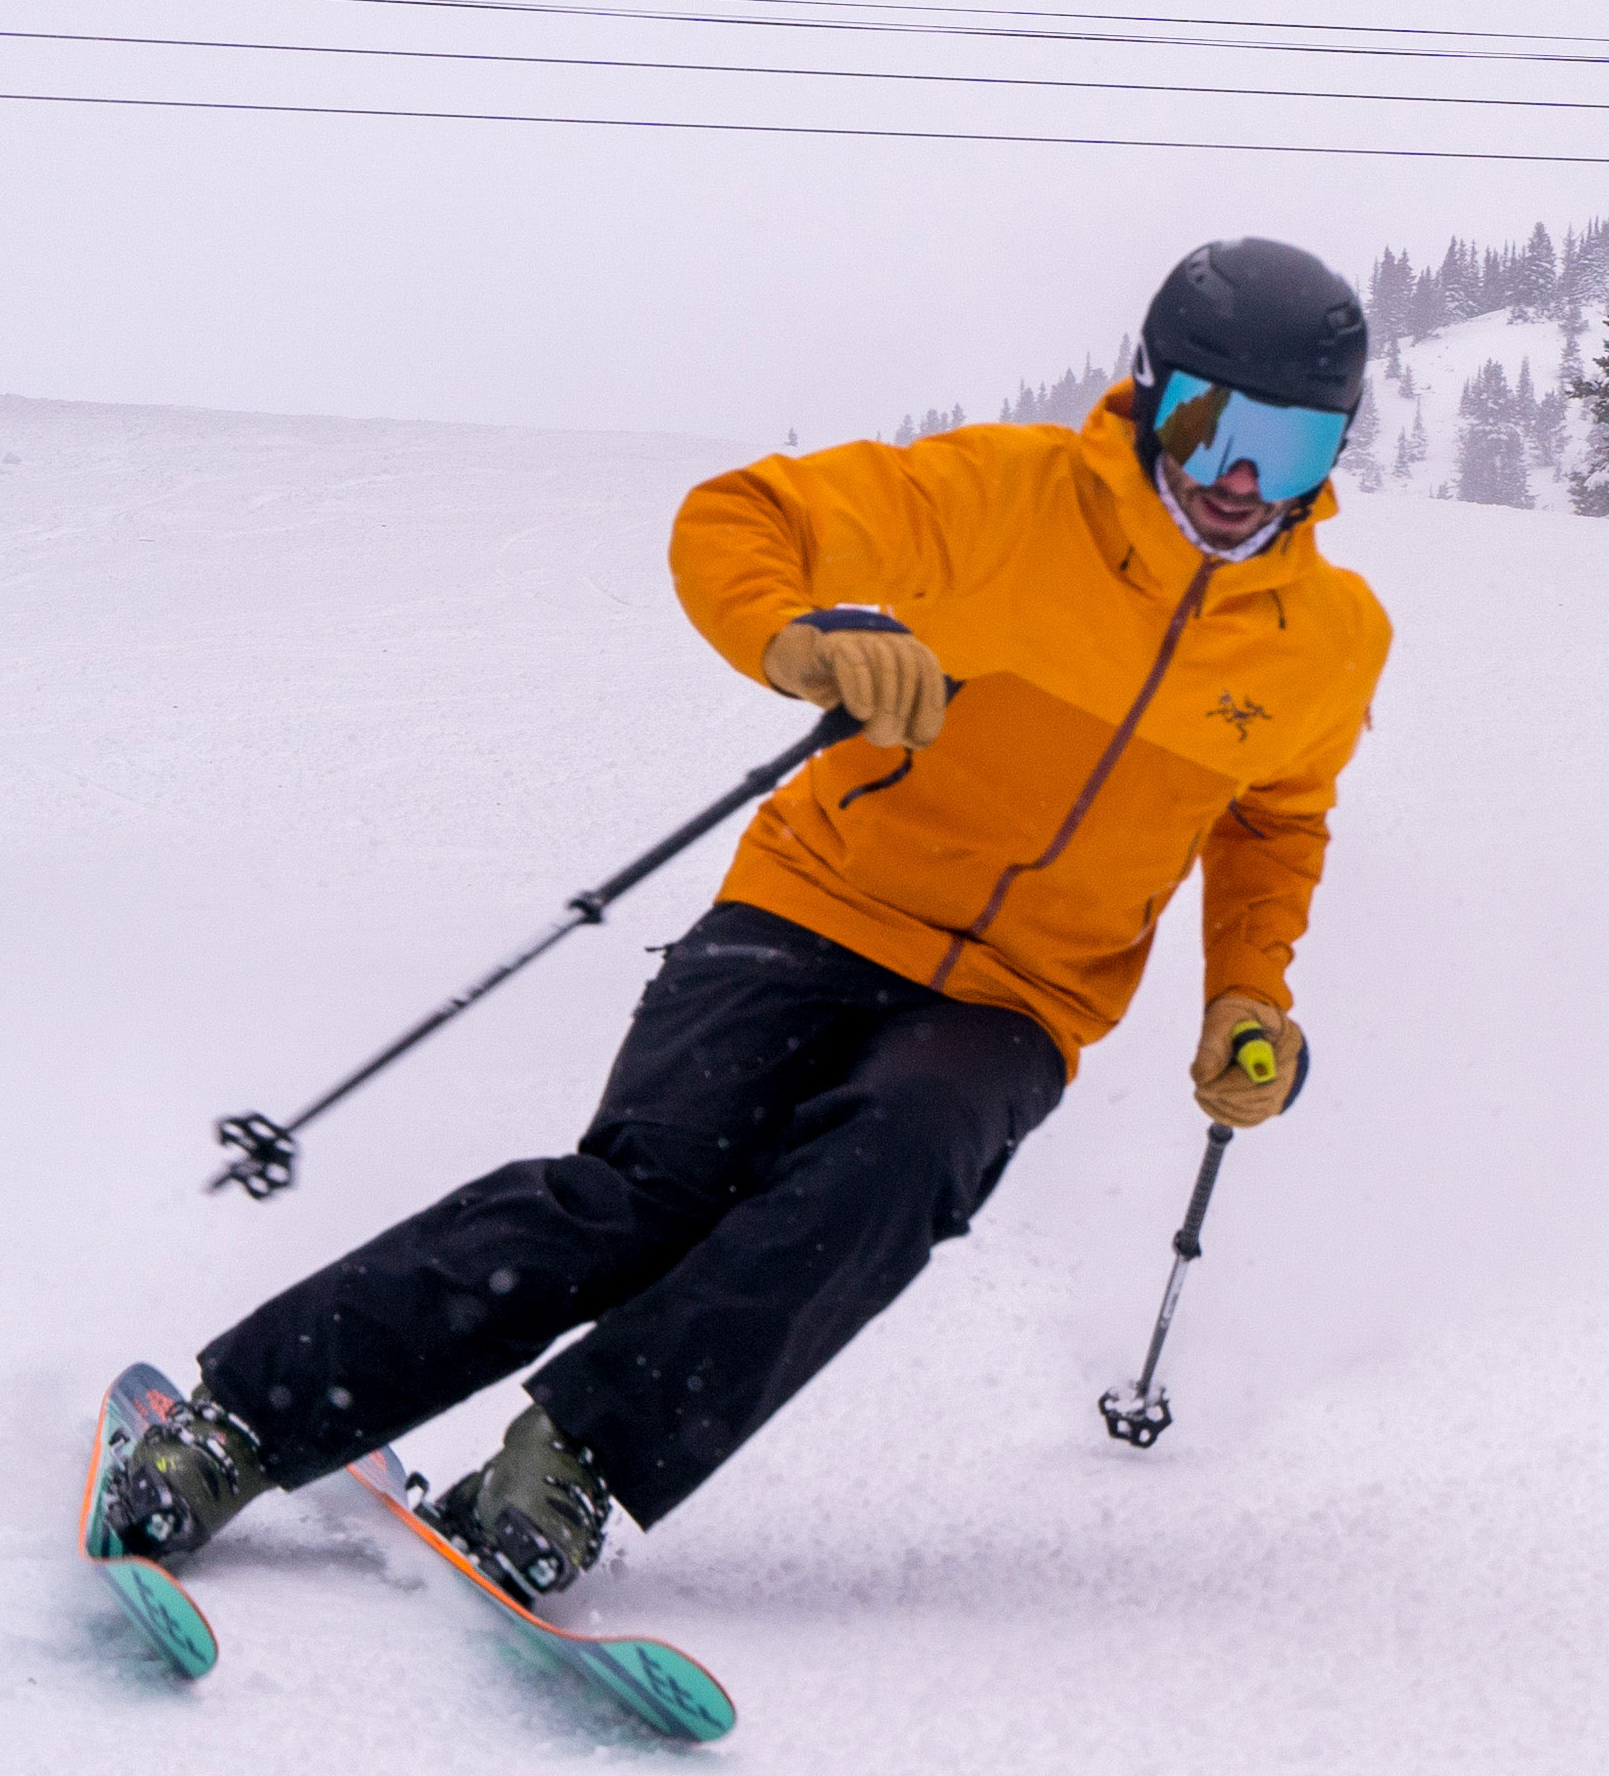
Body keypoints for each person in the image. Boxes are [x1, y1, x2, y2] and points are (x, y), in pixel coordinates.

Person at [89, 237, 1397, 1602]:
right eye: (1210, 423)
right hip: (816, 901)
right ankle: (242, 1423)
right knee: (647, 1195)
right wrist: (800, 641)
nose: (1242, 479)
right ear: (1150, 392)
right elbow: (737, 519)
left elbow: (1272, 819)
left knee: (886, 1171)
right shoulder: (1002, 496)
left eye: (1293, 446)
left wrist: (1249, 992)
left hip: (1024, 995)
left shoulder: (1326, 641)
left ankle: (574, 1463)